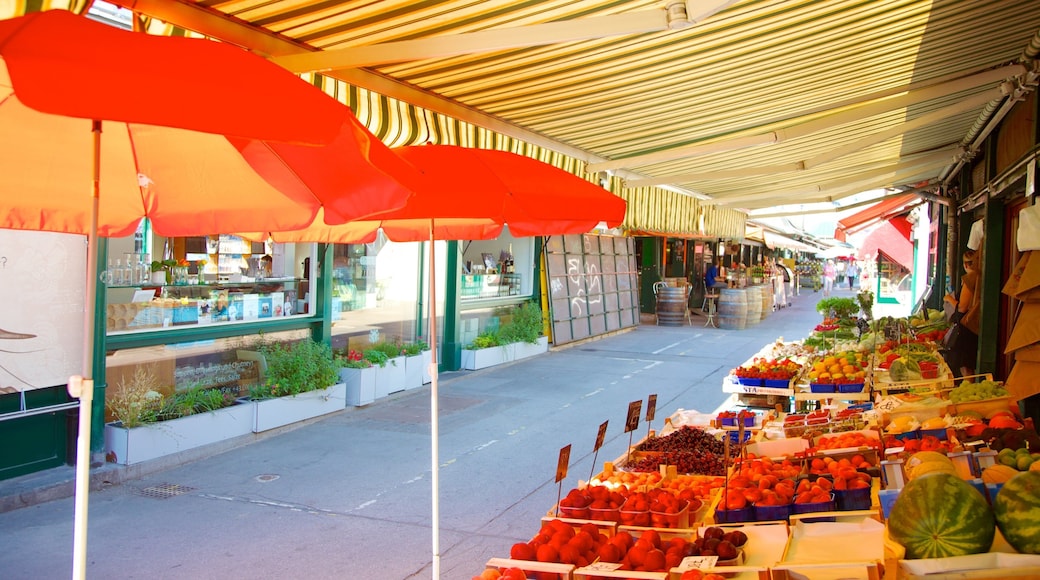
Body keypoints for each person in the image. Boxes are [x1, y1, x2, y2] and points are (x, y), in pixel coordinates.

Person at [947, 250, 981, 377]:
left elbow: (962, 307)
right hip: (974, 325)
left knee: (965, 363)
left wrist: (949, 299)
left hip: (966, 326)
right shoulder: (980, 277)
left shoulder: (969, 279)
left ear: (966, 264)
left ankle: (968, 386)